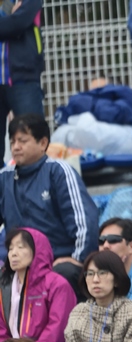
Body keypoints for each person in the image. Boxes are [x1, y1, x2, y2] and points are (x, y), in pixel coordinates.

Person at [0, 114, 98, 297]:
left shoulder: (59, 171)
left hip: (58, 261)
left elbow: (85, 222)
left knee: (64, 273)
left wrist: (79, 258)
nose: (16, 147)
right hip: (17, 263)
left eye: (22, 141)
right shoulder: (4, 178)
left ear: (43, 143)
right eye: (12, 142)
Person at [0, 228, 76, 342]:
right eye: (11, 248)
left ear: (38, 250)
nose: (14, 253)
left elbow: (55, 333)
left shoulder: (57, 285)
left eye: (21, 247)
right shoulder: (4, 287)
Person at [0, 0, 45, 162]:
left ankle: (37, 179)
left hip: (24, 80)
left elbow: (18, 23)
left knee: (32, 142)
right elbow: (12, 24)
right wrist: (9, 18)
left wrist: (12, 22)